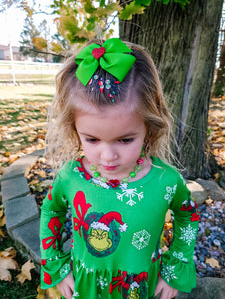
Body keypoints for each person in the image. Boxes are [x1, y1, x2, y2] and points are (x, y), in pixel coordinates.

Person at [40, 38, 199, 299]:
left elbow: (187, 216)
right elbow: (51, 209)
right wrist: (56, 265)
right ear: (74, 129)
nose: (108, 156)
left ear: (150, 126)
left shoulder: (165, 181)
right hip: (84, 287)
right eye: (92, 139)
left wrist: (173, 270)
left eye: (125, 140)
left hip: (139, 289)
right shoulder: (71, 176)